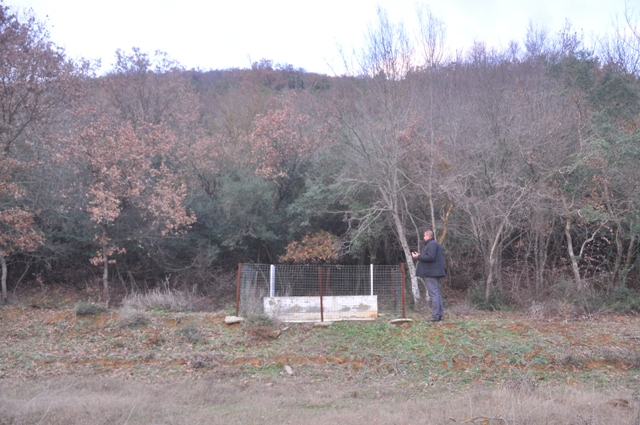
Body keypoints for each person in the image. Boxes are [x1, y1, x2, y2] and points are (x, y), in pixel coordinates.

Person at [411, 229, 445, 322]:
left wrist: (418, 256)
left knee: (433, 294)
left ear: (428, 236)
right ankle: (439, 315)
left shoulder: (432, 244)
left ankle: (435, 316)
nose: (423, 238)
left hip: (431, 273)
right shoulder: (434, 244)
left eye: (424, 236)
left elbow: (430, 257)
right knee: (436, 293)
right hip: (434, 272)